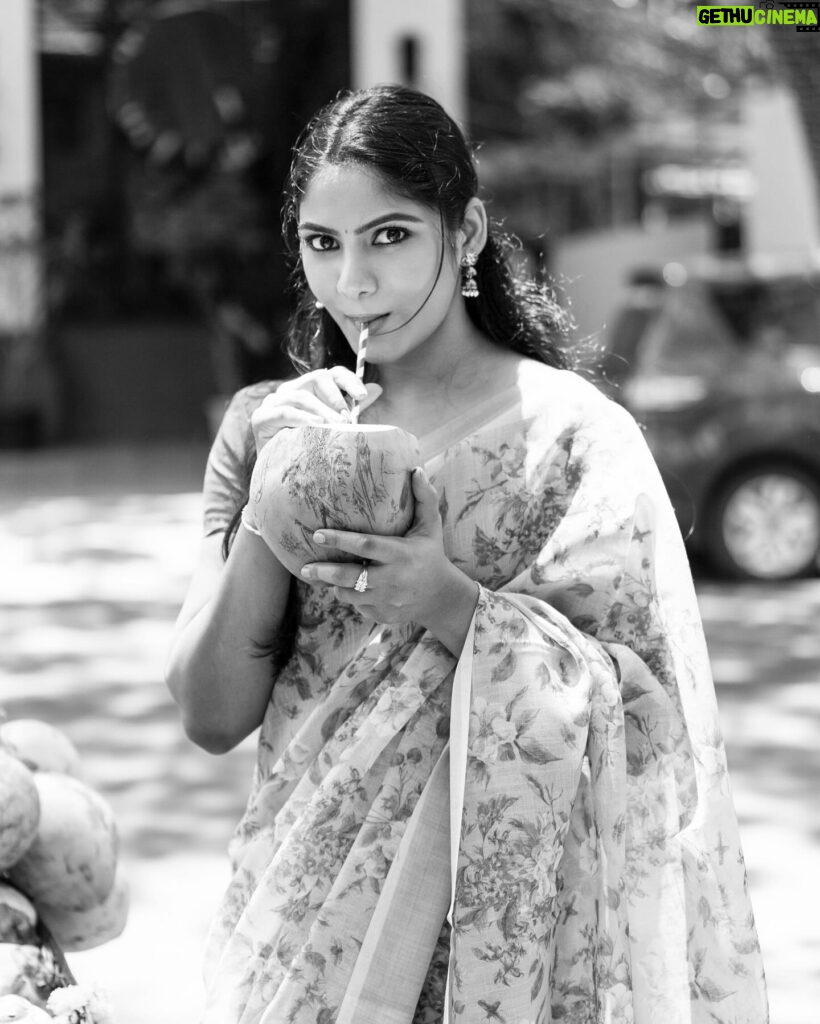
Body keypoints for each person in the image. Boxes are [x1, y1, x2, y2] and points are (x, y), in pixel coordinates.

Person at [165, 85, 768, 1024]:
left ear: (469, 232)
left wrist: (451, 604)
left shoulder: (574, 440)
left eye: (392, 237)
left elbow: (653, 725)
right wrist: (265, 505)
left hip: (517, 953)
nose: (355, 284)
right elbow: (209, 713)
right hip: (308, 940)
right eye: (323, 245)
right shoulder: (262, 429)